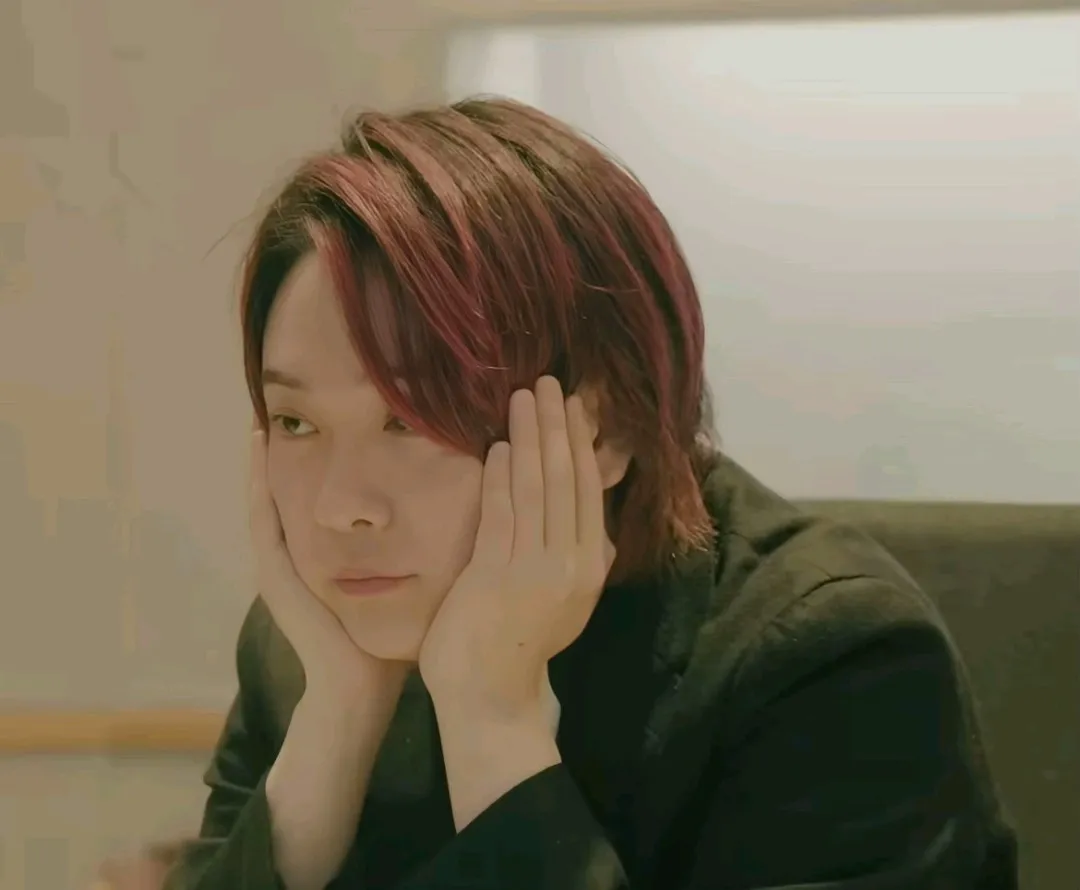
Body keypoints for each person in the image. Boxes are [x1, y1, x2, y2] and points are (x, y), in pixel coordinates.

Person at [105, 97, 1017, 890]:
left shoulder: (834, 659)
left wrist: (493, 722)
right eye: (296, 422)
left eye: (410, 421)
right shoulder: (313, 641)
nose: (339, 507)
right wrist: (336, 721)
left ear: (605, 427)